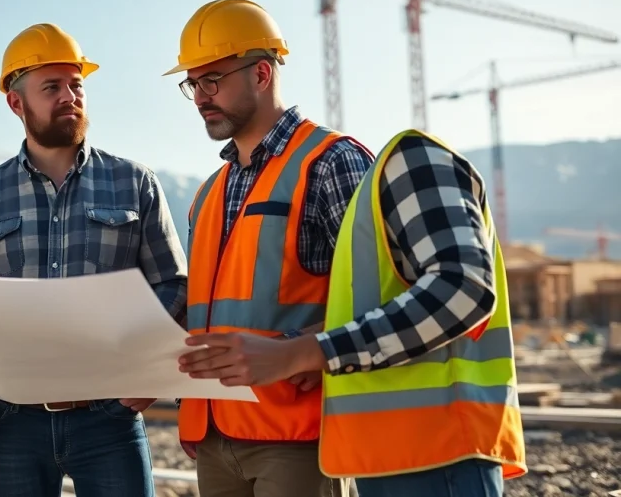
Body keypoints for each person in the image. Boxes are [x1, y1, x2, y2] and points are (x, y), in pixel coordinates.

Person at [178, 128, 528, 496]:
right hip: (379, 446)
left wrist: (306, 351)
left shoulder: (408, 159)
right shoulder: (370, 198)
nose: (200, 99)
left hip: (439, 446)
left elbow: (464, 289)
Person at [0, 23, 189, 497]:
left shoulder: (134, 183)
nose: (70, 96)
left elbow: (173, 283)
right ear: (16, 103)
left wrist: (145, 365)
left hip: (110, 417)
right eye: (52, 87)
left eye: (76, 85)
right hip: (12, 421)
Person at [161, 0, 374, 497]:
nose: (200, 97)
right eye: (192, 84)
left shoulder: (332, 161)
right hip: (213, 433)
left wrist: (304, 350)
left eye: (212, 80)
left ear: (261, 73)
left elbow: (381, 294)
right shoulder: (208, 193)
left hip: (295, 434)